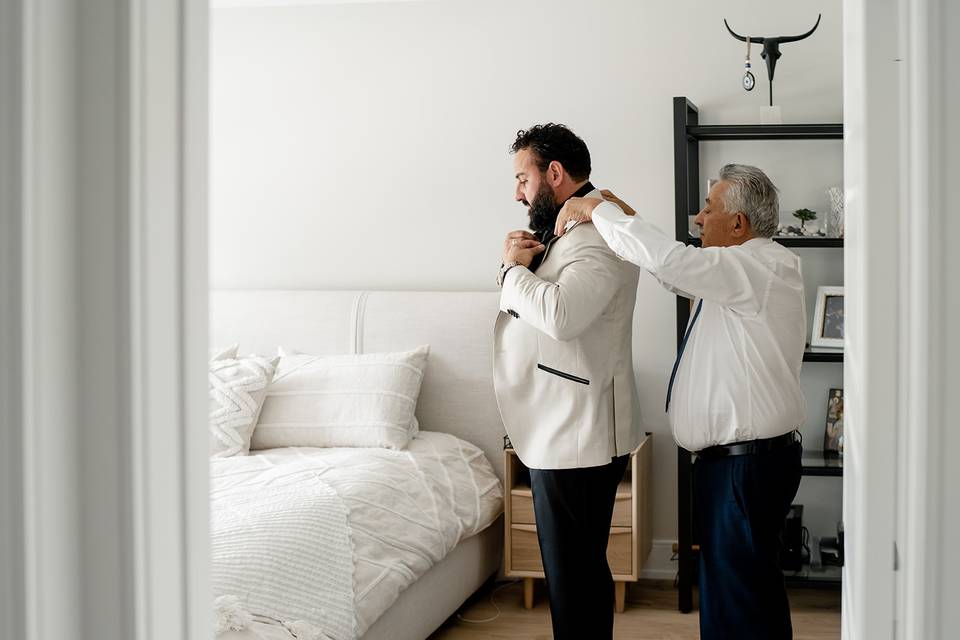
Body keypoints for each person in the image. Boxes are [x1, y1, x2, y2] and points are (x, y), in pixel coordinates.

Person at [554, 164, 806, 639]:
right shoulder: (736, 274)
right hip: (737, 466)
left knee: (740, 603)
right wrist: (625, 216)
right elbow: (670, 272)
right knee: (740, 596)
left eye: (708, 208)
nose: (696, 218)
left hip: (744, 468)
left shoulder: (757, 266)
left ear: (738, 225)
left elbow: (671, 261)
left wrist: (598, 208)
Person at [492, 123, 642, 640]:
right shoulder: (572, 229)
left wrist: (512, 272)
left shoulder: (597, 233)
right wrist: (521, 266)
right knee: (577, 574)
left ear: (554, 173)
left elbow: (561, 316)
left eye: (522, 178)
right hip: (566, 427)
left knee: (573, 577)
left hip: (577, 431)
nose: (517, 193)